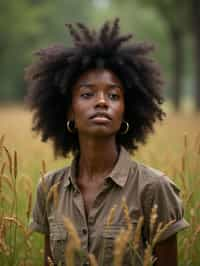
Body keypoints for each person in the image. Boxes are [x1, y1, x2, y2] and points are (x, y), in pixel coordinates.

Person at [25, 19, 188, 266]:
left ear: (126, 110)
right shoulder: (49, 189)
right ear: (69, 111)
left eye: (113, 95)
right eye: (87, 94)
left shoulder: (153, 188)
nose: (102, 102)